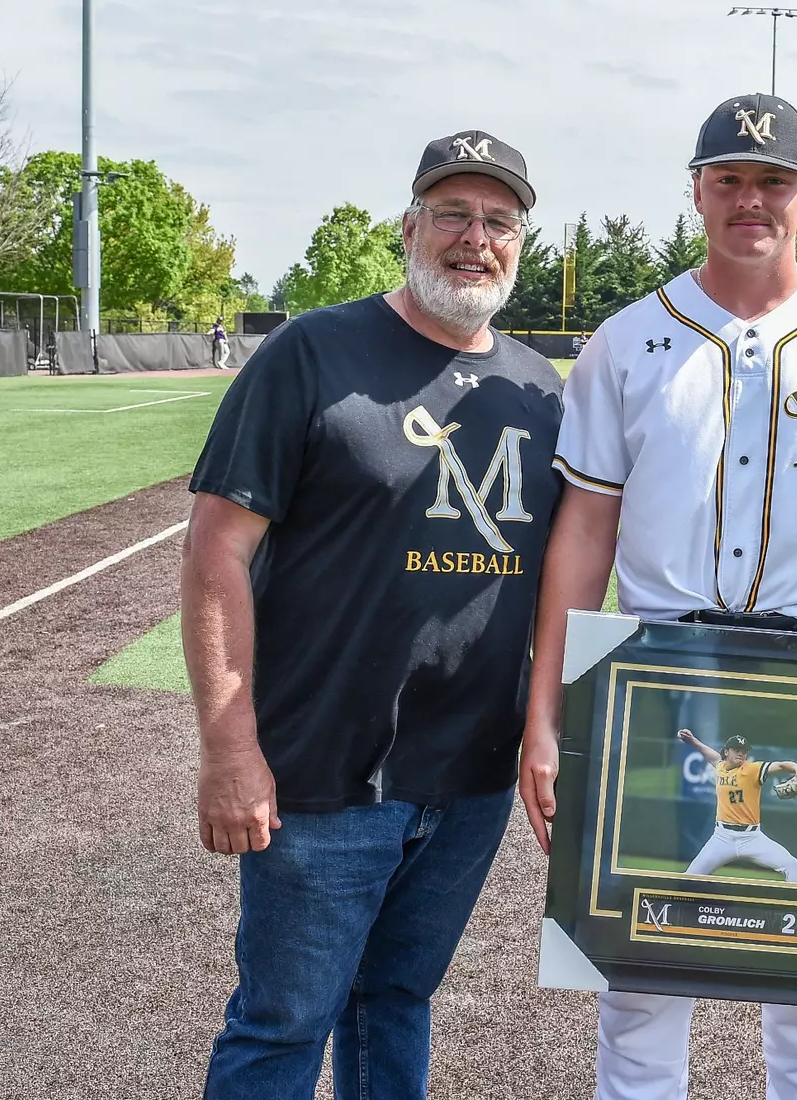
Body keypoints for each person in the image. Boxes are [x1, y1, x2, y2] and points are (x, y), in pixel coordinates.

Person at [519, 92, 797, 1100]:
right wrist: (544, 712)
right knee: (635, 980)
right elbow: (582, 534)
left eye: (771, 180)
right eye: (727, 178)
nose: (748, 199)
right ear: (696, 192)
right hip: (655, 675)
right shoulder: (625, 338)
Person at [183, 128, 561, 1100]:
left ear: (519, 242)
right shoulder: (314, 351)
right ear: (409, 226)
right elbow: (216, 549)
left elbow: (578, 567)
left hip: (470, 777)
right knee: (281, 1022)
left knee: (395, 997)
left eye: (498, 220)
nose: (474, 236)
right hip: (322, 774)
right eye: (452, 213)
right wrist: (231, 748)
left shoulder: (538, 390)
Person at [677, 730, 797, 882]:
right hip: (722, 837)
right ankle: (675, 906)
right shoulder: (720, 767)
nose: (741, 753)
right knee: (689, 877)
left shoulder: (752, 770)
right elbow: (709, 754)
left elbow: (779, 765)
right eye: (737, 750)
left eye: (744, 751)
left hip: (751, 837)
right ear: (726, 752)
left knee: (790, 863)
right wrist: (693, 741)